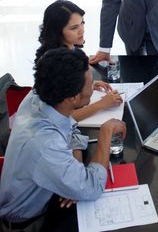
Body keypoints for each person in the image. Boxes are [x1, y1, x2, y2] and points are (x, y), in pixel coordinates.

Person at [0, 48, 126, 231]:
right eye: (91, 84)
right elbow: (92, 187)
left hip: (45, 193)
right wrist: (106, 132)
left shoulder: (38, 97)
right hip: (31, 221)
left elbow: (69, 127)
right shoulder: (45, 145)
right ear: (73, 98)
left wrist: (73, 176)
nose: (95, 87)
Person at [35, 0, 123, 122]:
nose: (81, 30)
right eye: (74, 27)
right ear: (58, 32)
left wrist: (87, 85)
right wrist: (102, 104)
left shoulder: (71, 49)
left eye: (82, 23)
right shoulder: (57, 64)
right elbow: (64, 117)